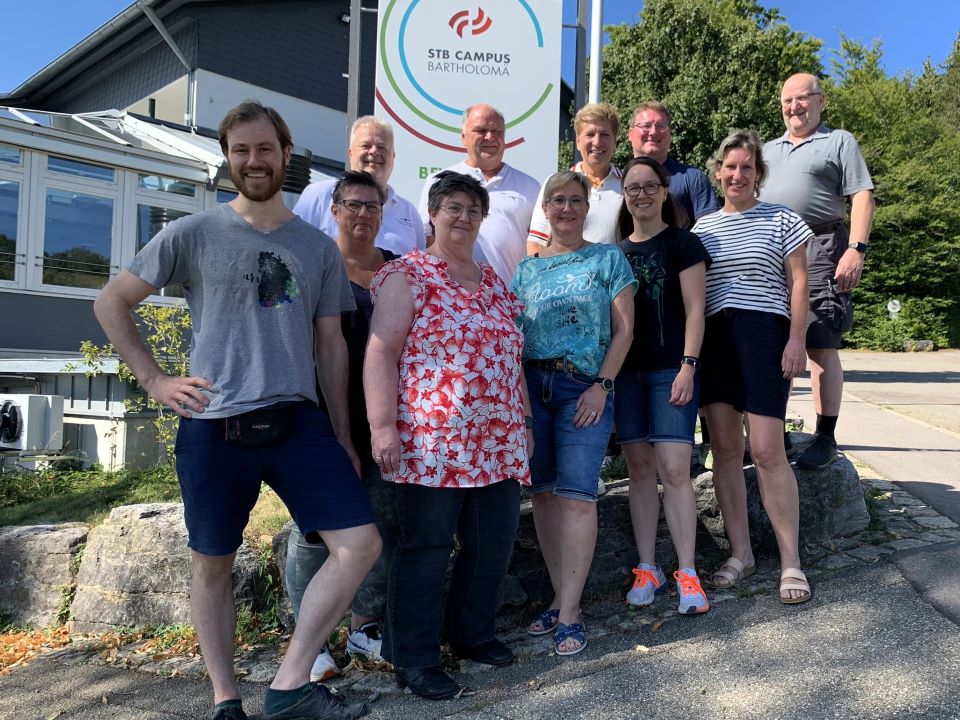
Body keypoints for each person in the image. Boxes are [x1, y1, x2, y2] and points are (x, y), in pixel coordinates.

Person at [93, 101, 381, 720]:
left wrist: (340, 432)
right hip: (212, 424)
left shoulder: (316, 248)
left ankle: (288, 685)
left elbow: (330, 344)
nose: (254, 161)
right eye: (241, 150)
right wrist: (155, 379)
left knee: (359, 545)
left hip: (297, 421)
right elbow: (113, 302)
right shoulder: (193, 234)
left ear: (286, 153)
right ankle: (227, 699)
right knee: (213, 565)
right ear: (229, 157)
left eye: (265, 149)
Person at [365, 171, 531, 699]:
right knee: (427, 549)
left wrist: (523, 422)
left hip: (498, 440)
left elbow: (513, 358)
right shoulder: (408, 274)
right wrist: (382, 425)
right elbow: (381, 351)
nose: (463, 218)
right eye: (453, 208)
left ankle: (470, 634)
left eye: (473, 210)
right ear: (432, 214)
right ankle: (412, 658)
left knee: (492, 544)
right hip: (434, 442)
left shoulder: (493, 282)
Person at [512, 171, 637, 656]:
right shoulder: (527, 269)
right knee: (542, 495)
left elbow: (624, 332)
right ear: (545, 209)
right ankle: (561, 598)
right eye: (557, 201)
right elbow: (514, 342)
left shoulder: (608, 259)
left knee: (578, 495)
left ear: (588, 207)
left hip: (582, 388)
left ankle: (569, 612)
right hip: (533, 388)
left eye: (575, 200)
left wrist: (602, 387)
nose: (566, 208)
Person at [284, 171, 399, 682]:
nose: (363, 215)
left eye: (373, 206)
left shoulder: (399, 270)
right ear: (333, 210)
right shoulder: (310, 264)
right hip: (319, 419)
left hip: (388, 420)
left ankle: (363, 626)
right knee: (314, 532)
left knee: (382, 523)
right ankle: (311, 644)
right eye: (353, 204)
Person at [692, 129, 812, 605]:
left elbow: (799, 281)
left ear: (758, 173)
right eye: (730, 167)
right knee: (723, 449)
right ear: (718, 173)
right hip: (717, 340)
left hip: (765, 335)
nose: (737, 174)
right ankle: (741, 553)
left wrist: (796, 339)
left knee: (766, 450)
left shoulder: (783, 219)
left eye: (746, 167)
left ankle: (790, 560)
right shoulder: (702, 229)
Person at [760, 73, 876, 470]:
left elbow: (862, 195)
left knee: (819, 343)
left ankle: (825, 436)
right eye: (787, 100)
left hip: (821, 249)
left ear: (820, 100)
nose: (794, 107)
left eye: (802, 98)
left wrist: (855, 249)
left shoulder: (838, 141)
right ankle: (776, 433)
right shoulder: (767, 150)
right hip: (772, 254)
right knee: (776, 344)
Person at [613, 156, 711, 614]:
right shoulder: (614, 253)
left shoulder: (683, 244)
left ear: (664, 190)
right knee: (639, 471)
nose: (642, 195)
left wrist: (688, 365)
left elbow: (695, 310)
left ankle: (687, 572)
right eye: (633, 188)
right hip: (627, 377)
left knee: (674, 470)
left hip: (672, 371)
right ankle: (647, 567)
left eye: (650, 186)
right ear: (625, 196)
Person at [418, 104, 539, 283]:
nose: (490, 137)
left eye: (496, 131)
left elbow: (538, 246)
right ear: (463, 137)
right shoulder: (438, 182)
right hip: (451, 298)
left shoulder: (531, 187)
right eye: (481, 130)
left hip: (509, 302)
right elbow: (425, 236)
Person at [294, 116, 424, 256]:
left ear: (393, 156)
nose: (374, 151)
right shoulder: (319, 195)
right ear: (350, 154)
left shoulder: (410, 213)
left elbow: (420, 270)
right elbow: (293, 249)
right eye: (366, 146)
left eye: (382, 147)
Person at [527, 102, 622, 252]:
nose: (597, 142)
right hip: (565, 274)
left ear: (615, 141)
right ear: (578, 141)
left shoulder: (629, 187)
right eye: (590, 134)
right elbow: (536, 245)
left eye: (604, 134)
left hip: (614, 274)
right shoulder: (555, 184)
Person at [628, 101, 719, 229]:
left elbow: (711, 231)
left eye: (660, 126)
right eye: (646, 126)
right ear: (630, 134)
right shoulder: (617, 180)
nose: (653, 132)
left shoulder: (692, 178)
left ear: (670, 135)